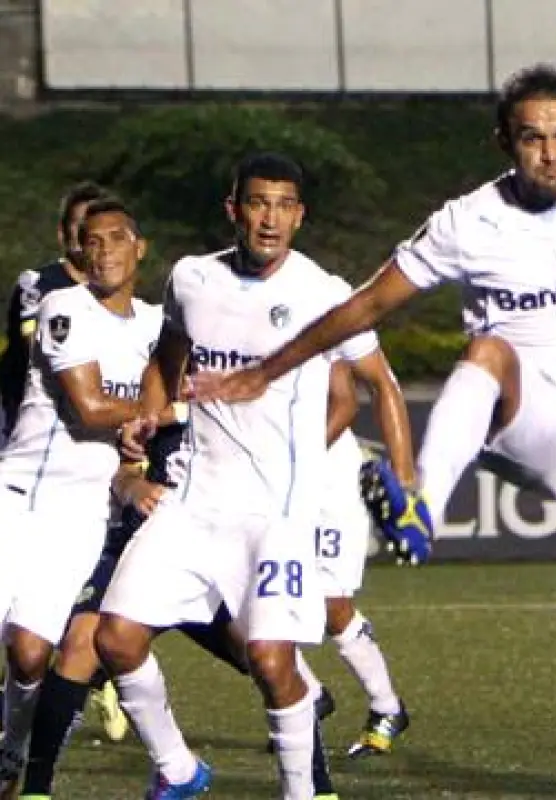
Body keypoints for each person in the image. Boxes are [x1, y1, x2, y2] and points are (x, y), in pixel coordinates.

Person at [191, 64, 556, 800]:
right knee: (491, 349)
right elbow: (366, 306)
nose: (549, 153)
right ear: (505, 140)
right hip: (505, 413)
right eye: (532, 138)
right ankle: (420, 506)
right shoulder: (466, 220)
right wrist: (266, 369)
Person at [93, 152, 424, 799]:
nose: (269, 218)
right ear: (233, 210)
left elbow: (379, 383)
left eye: (283, 205)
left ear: (299, 216)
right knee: (116, 638)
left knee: (273, 665)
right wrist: (145, 421)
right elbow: (167, 358)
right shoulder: (192, 278)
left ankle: (303, 791)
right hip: (192, 504)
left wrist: (408, 486)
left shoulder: (324, 293)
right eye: (257, 203)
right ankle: (180, 770)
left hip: (275, 517)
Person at [0, 198, 173, 796]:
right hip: (17, 495)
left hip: (81, 513)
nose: (103, 252)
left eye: (116, 239)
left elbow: (183, 389)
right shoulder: (62, 308)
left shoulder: (155, 326)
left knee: (29, 654)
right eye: (92, 242)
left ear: (139, 247)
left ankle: (11, 751)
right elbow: (91, 407)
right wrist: (151, 412)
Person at [317, 361, 410, 759]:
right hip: (268, 483)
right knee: (244, 602)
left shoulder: (311, 311)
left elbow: (344, 403)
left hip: (327, 485)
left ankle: (387, 707)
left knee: (330, 606)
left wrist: (294, 459)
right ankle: (308, 700)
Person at [0, 182, 112, 441]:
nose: (88, 235)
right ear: (62, 234)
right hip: (18, 417)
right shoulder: (37, 285)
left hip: (79, 424)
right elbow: (37, 352)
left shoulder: (116, 295)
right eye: (79, 225)